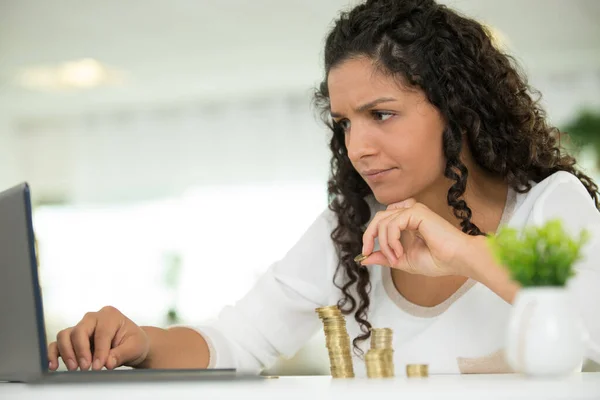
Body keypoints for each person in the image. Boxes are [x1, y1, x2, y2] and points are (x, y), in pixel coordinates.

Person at [47, 0, 600, 376]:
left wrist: (463, 251)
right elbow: (241, 339)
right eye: (344, 123)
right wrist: (142, 343)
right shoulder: (353, 224)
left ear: (458, 110)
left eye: (381, 114)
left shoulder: (548, 204)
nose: (357, 146)